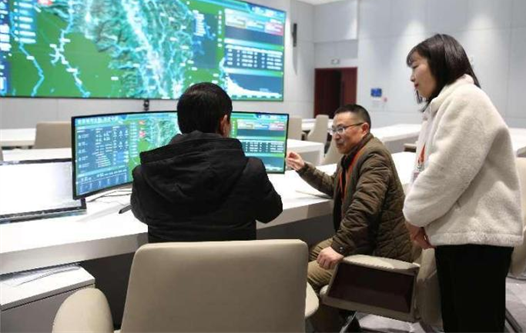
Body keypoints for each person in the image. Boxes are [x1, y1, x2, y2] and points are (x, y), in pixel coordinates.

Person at [403, 34, 523, 333]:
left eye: (415, 66)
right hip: (462, 235)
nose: (411, 78)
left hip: (477, 240)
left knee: (474, 324)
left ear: (440, 61)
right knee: (457, 322)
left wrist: (414, 217)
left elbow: (445, 173)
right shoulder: (444, 105)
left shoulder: (466, 99)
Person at [286, 104, 413, 333]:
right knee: (312, 251)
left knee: (300, 278)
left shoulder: (374, 156)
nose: (335, 135)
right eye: (333, 129)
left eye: (342, 129)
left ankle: (331, 328)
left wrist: (339, 247)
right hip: (366, 241)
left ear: (363, 128)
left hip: (380, 252)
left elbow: (364, 207)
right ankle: (343, 321)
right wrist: (304, 168)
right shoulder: (352, 156)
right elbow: (335, 186)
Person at [131, 82, 283, 243]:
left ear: (180, 123)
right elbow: (270, 213)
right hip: (234, 260)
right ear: (224, 122)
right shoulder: (251, 170)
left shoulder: (145, 175)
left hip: (170, 261)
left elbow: (143, 216)